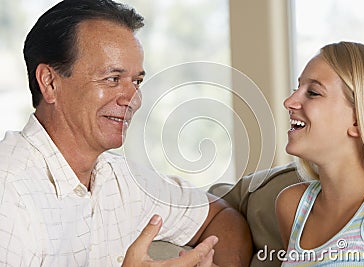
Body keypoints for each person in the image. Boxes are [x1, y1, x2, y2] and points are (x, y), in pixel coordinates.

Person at [0, 0, 253, 266]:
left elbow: (221, 217)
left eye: (137, 82)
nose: (134, 99)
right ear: (50, 83)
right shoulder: (9, 190)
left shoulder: (121, 180)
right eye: (112, 79)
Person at [276, 41, 364, 266]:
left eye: (312, 93)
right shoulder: (292, 206)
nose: (289, 102)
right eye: (297, 89)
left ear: (359, 120)